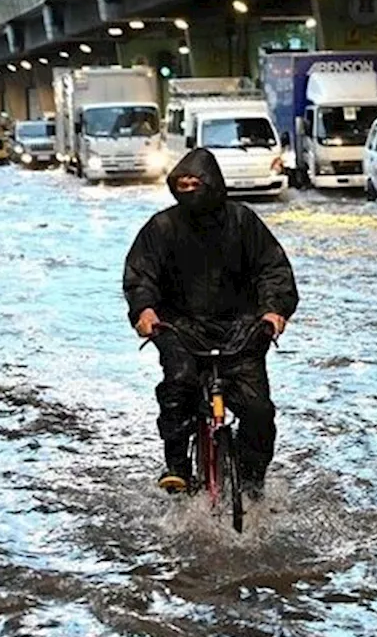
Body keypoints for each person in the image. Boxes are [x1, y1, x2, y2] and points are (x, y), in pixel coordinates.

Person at [123, 149, 299, 494]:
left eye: (196, 183)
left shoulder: (243, 222)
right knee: (179, 384)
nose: (189, 190)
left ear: (214, 185)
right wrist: (145, 311)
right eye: (182, 184)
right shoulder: (161, 228)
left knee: (258, 411)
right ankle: (177, 465)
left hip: (242, 329)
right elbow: (142, 275)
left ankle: (251, 482)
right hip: (180, 329)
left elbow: (272, 269)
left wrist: (274, 311)